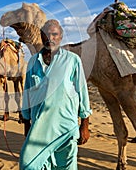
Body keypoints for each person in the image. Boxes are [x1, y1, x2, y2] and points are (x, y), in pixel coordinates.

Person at [19, 19, 92, 170]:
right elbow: (27, 94)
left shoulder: (72, 60)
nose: (50, 38)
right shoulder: (33, 62)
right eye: (47, 34)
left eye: (54, 34)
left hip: (65, 128)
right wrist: (27, 125)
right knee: (27, 165)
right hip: (39, 128)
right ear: (41, 36)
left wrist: (85, 125)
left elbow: (82, 92)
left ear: (60, 36)